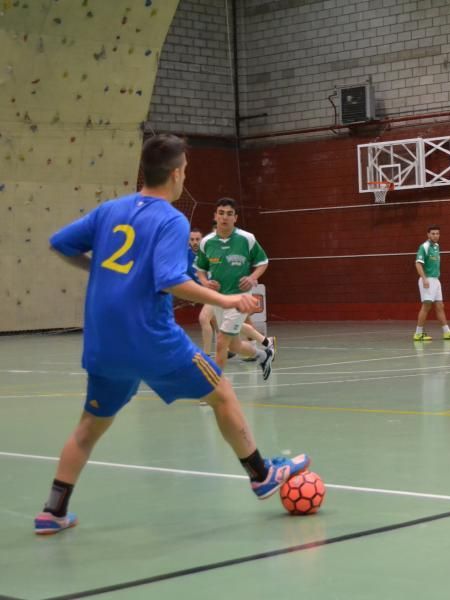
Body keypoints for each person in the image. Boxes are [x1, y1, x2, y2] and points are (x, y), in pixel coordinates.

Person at [37, 134, 309, 534]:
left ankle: (52, 511)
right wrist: (232, 302)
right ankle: (261, 475)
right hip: (150, 337)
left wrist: (96, 269)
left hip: (103, 341)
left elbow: (60, 243)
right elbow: (168, 280)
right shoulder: (170, 218)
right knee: (221, 392)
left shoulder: (110, 210)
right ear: (178, 172)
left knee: (89, 426)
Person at [195, 198, 275, 375]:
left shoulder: (247, 239)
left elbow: (263, 262)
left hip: (240, 298)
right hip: (218, 299)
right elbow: (200, 269)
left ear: (235, 218)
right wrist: (205, 283)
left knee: (222, 341)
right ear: (215, 216)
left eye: (229, 214)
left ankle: (215, 388)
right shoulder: (206, 242)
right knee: (234, 344)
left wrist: (252, 277)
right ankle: (263, 355)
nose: (225, 217)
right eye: (221, 213)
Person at [413, 225, 450, 341]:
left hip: (436, 280)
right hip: (427, 280)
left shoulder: (437, 246)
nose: (435, 235)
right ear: (428, 235)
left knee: (440, 306)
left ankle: (447, 332)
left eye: (437, 233)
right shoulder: (424, 246)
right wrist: (424, 279)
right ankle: (418, 333)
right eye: (433, 233)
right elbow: (418, 264)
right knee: (426, 306)